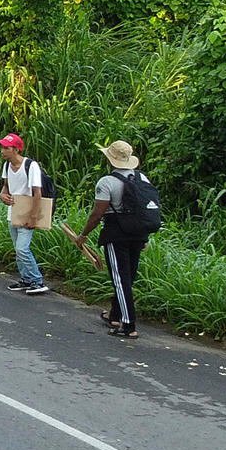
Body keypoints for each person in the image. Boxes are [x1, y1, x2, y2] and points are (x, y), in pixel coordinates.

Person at [73, 141, 157, 339]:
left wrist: (83, 235)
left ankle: (128, 326)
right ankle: (115, 316)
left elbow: (97, 213)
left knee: (120, 280)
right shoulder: (141, 177)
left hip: (116, 234)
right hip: (138, 233)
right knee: (128, 278)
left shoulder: (106, 182)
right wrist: (144, 236)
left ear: (110, 159)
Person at [0, 133, 50, 295]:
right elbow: (6, 186)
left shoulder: (30, 165)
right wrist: (2, 194)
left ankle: (37, 280)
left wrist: (33, 216)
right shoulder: (7, 166)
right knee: (17, 248)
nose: (3, 151)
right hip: (13, 212)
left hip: (27, 212)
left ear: (16, 149)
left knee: (22, 248)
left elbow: (37, 192)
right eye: (2, 147)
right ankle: (26, 279)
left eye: (6, 148)